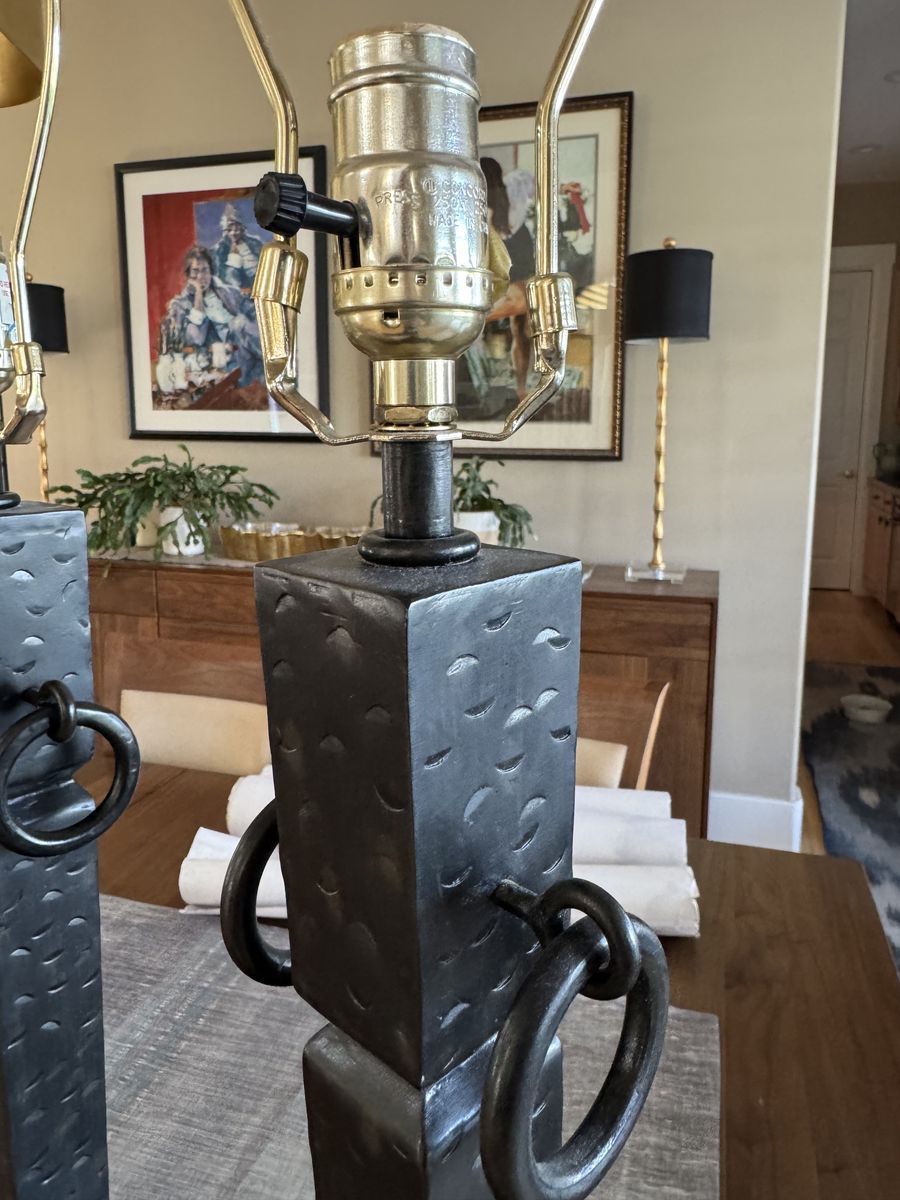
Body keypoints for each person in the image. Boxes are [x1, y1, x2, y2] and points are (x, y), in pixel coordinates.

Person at [159, 245, 261, 391]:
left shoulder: (228, 292)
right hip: (221, 354)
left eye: (205, 270)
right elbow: (196, 339)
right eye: (195, 271)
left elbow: (254, 312)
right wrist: (198, 295)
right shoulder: (180, 305)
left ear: (211, 271)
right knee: (240, 324)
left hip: (244, 341)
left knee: (242, 324)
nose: (201, 276)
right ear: (188, 275)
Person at [212, 203, 264, 291]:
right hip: (235, 288)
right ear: (225, 230)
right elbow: (220, 274)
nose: (234, 232)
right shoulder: (219, 249)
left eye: (237, 227)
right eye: (230, 228)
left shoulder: (255, 243)